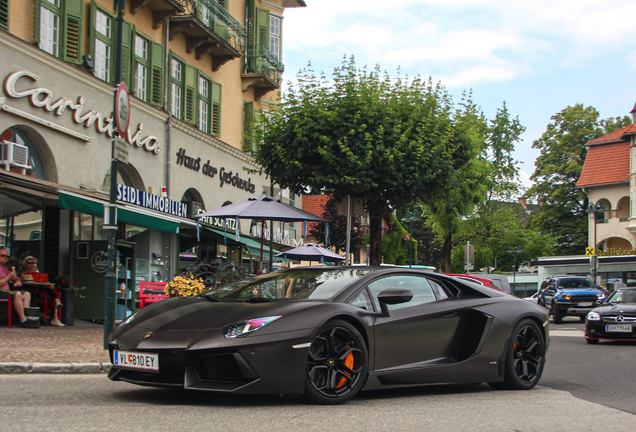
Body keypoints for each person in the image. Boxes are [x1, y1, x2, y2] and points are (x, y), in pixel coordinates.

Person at [20, 256, 64, 327]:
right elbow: (24, 281)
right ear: (25, 264)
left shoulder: (38, 274)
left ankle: (56, 303)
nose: (31, 265)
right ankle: (55, 314)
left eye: (33, 263)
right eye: (29, 263)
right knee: (45, 290)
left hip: (40, 292)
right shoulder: (24, 273)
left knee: (49, 288)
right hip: (30, 292)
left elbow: (43, 282)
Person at [0, 248, 35, 328]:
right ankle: (23, 320)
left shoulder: (5, 268)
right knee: (18, 294)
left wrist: (18, 280)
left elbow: (15, 278)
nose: (5, 258)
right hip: (1, 292)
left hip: (7, 292)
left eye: (7, 256)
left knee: (27, 294)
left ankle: (26, 317)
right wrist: (9, 276)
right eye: (3, 255)